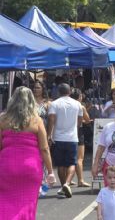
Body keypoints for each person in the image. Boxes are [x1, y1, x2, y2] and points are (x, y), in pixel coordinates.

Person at [0, 86, 56, 219]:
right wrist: (50, 171)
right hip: (30, 168)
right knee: (28, 204)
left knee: (5, 202)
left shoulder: (3, 119)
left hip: (7, 167)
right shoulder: (36, 120)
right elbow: (44, 148)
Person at [47, 83, 83, 198]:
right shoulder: (77, 104)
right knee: (72, 163)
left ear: (58, 92)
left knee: (61, 165)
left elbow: (51, 120)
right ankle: (66, 184)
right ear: (70, 92)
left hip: (58, 138)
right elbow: (80, 122)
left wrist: (49, 135)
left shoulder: (54, 104)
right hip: (72, 138)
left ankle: (64, 185)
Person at [69, 88, 92, 187]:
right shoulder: (81, 106)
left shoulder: (67, 105)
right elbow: (87, 120)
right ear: (79, 97)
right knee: (79, 158)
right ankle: (80, 180)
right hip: (78, 132)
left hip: (67, 132)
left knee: (69, 158)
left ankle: (68, 179)